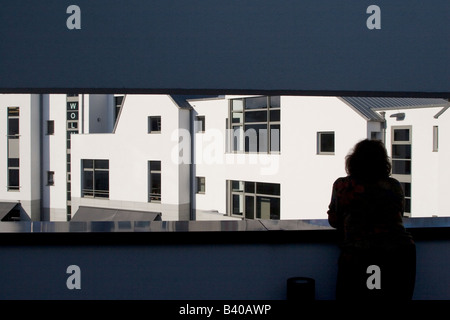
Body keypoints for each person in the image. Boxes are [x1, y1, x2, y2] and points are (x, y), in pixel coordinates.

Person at [327, 139, 416, 300]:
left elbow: (334, 220)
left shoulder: (344, 185)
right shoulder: (393, 185)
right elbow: (398, 216)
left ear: (353, 161)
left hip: (360, 255)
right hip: (400, 254)